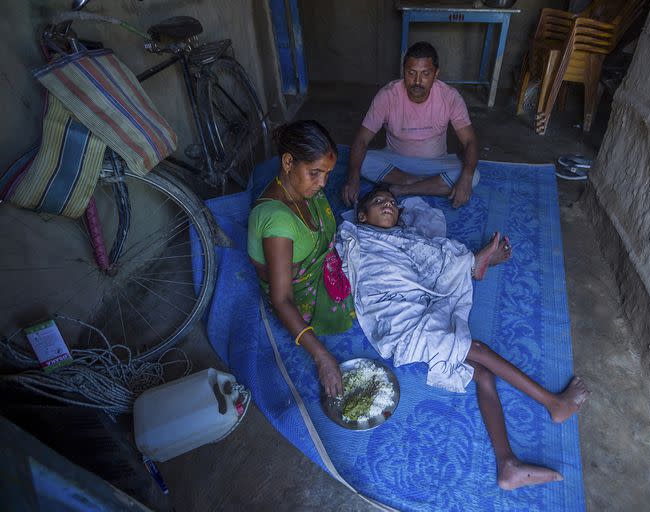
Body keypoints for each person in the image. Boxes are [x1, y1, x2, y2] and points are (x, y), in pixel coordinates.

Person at [338, 186, 590, 491]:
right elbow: (372, 277)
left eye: (392, 202)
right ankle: (553, 403)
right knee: (478, 350)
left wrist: (463, 263)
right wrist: (470, 262)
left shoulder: (405, 237)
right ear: (362, 216)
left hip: (419, 303)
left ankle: (507, 464)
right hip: (397, 321)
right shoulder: (360, 239)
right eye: (379, 202)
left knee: (482, 373)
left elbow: (428, 259)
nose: (389, 205)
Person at [248, 120, 354, 398]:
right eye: (315, 173)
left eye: (327, 174)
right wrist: (322, 357)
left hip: (315, 264)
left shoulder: (298, 189)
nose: (322, 184)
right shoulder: (278, 222)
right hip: (299, 292)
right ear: (287, 162)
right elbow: (281, 299)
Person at [342, 41, 480, 209]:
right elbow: (362, 139)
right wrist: (353, 178)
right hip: (397, 163)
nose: (417, 81)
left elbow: (470, 141)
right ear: (404, 71)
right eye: (411, 73)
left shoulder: (450, 97)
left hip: (435, 162)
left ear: (436, 74)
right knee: (361, 162)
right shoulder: (388, 95)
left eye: (425, 74)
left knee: (473, 176)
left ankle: (403, 189)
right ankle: (426, 184)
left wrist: (465, 178)